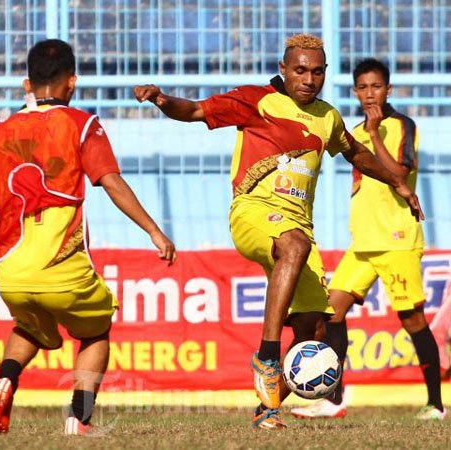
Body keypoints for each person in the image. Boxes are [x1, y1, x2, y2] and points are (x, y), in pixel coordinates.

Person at [134, 35, 423, 429]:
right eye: (300, 70)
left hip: (298, 230)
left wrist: (398, 183)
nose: (309, 79)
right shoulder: (256, 100)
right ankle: (267, 356)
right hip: (253, 213)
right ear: (284, 69)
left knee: (314, 330)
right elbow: (197, 110)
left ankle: (267, 409)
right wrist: (164, 101)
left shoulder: (328, 117)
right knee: (295, 243)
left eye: (317, 71)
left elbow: (356, 153)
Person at [0, 39, 175, 436]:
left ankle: (6, 380)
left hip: (12, 271)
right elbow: (111, 183)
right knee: (96, 330)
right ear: (71, 83)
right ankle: (79, 418)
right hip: (60, 267)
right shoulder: (81, 124)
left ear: (26, 85)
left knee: (28, 328)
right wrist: (154, 230)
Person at [291, 58, 446, 421]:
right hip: (362, 244)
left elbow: (398, 173)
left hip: (397, 240)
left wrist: (375, 133)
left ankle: (436, 405)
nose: (370, 93)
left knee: (412, 320)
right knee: (332, 312)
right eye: (363, 87)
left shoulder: (401, 125)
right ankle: (333, 399)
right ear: (356, 92)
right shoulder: (353, 132)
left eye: (376, 86)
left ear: (388, 90)